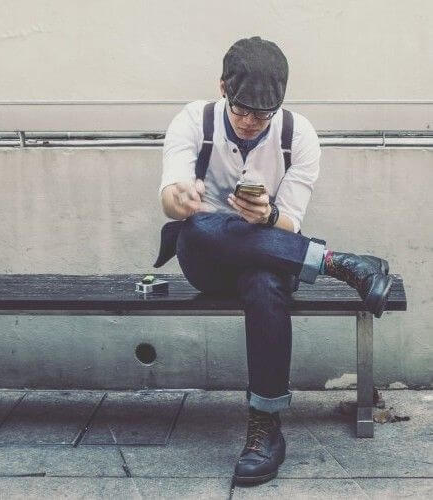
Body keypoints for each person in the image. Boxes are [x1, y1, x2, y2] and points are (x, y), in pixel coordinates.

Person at [154, 36, 392, 486]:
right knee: (202, 226)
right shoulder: (194, 119)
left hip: (271, 259)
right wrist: (180, 199)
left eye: (261, 114)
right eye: (240, 110)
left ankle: (265, 428)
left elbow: (291, 220)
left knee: (265, 282)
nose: (248, 123)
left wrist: (270, 214)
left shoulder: (297, 135)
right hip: (205, 260)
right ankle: (340, 264)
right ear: (222, 87)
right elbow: (170, 193)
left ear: (280, 104)